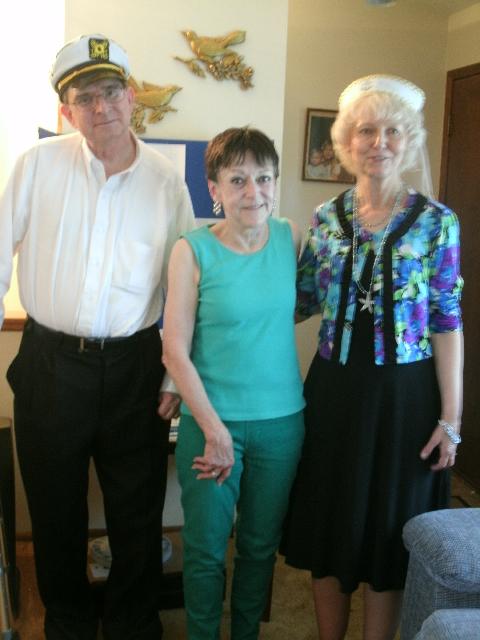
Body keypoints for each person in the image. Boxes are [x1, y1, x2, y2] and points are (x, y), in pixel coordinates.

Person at [0, 34, 195, 640]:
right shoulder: (37, 165)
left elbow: (186, 286)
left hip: (136, 368)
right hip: (50, 363)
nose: (100, 106)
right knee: (54, 509)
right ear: (67, 111)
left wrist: (175, 375)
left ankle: (134, 623)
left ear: (132, 97)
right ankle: (68, 624)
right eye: (84, 97)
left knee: (137, 511)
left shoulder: (166, 182)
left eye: (111, 91)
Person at [281, 74, 464, 640]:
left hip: (406, 400)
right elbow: (296, 303)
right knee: (329, 523)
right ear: (346, 142)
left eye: (392, 131)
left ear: (408, 141)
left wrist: (451, 420)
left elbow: (447, 322)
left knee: (389, 533)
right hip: (333, 393)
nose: (378, 142)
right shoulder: (324, 219)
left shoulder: (437, 222)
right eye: (365, 131)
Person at [162, 127, 305, 639]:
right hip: (210, 424)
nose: (254, 192)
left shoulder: (291, 237)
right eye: (238, 180)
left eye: (264, 178)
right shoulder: (192, 250)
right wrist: (214, 430)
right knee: (204, 551)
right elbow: (175, 349)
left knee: (260, 549)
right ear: (214, 189)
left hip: (282, 425)